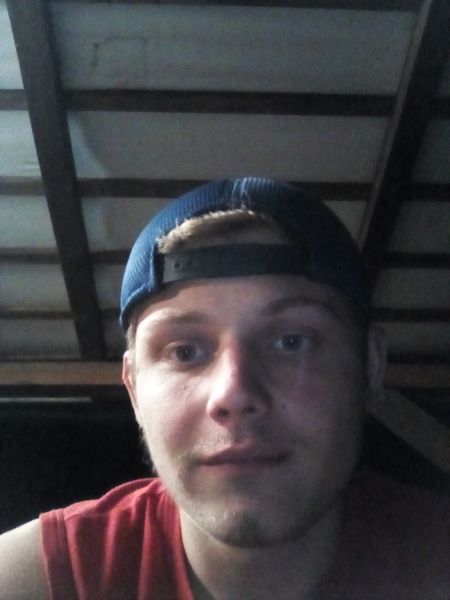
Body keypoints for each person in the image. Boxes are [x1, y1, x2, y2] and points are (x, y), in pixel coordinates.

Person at [0, 177, 448, 599]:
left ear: (370, 366)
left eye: (292, 342)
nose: (234, 394)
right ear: (133, 389)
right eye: (184, 352)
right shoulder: (41, 578)